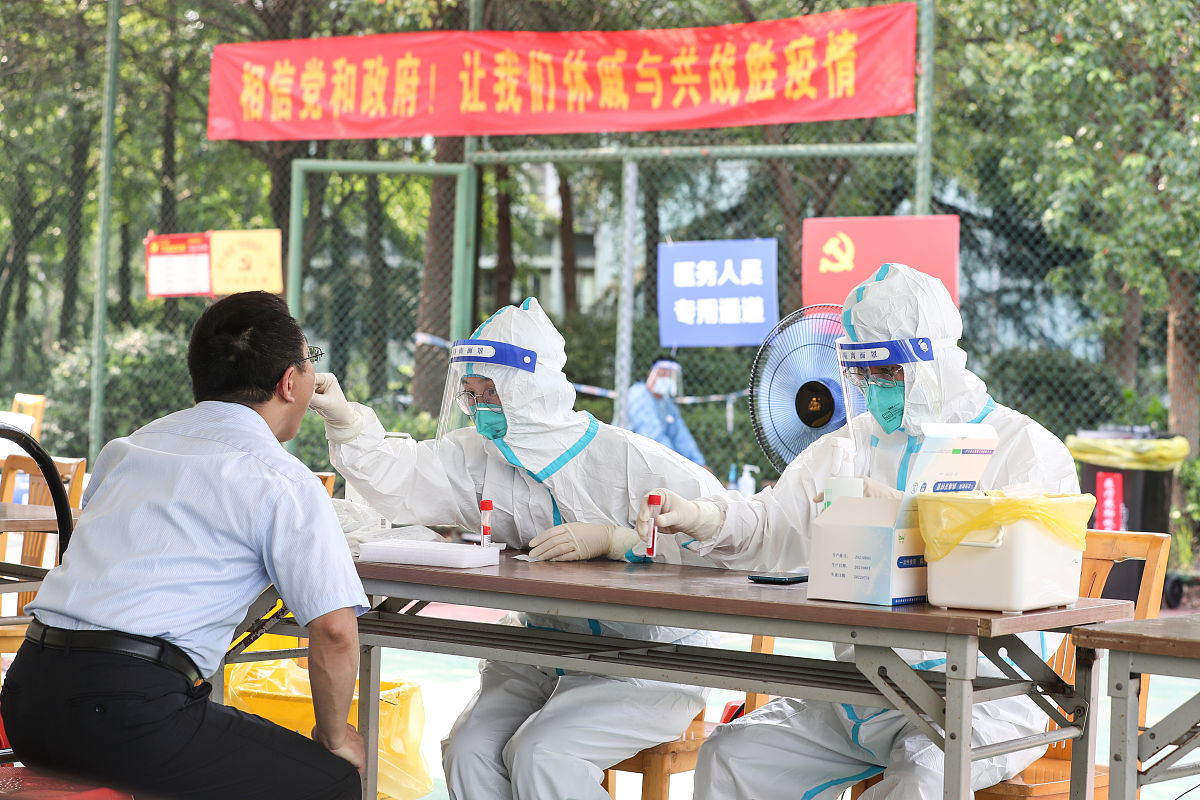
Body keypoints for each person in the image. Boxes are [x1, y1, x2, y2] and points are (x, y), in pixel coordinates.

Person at [635, 263, 1080, 800]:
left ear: (934, 357)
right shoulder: (851, 445)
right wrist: (702, 515)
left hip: (985, 695)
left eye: (889, 372)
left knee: (921, 780)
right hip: (864, 689)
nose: (875, 390)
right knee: (734, 754)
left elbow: (1037, 584)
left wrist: (923, 521)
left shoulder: (1023, 449)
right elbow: (772, 523)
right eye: (865, 374)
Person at [308, 296, 724, 800]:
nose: (482, 407)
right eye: (473, 392)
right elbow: (403, 474)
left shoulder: (628, 459)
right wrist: (345, 419)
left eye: (493, 392)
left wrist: (621, 541)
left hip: (649, 659)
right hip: (539, 646)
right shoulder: (479, 459)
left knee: (542, 754)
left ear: (532, 390)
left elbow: (719, 533)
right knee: (466, 750)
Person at [0, 291, 369, 800]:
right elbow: (334, 632)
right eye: (309, 363)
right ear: (289, 382)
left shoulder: (128, 448)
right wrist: (335, 736)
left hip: (27, 699)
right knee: (333, 783)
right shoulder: (282, 478)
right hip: (127, 715)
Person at [626, 359, 707, 467]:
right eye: (662, 373)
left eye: (671, 375)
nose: (666, 377)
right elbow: (653, 437)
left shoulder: (666, 402)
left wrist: (698, 463)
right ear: (651, 374)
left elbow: (680, 435)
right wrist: (678, 465)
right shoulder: (638, 394)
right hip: (630, 458)